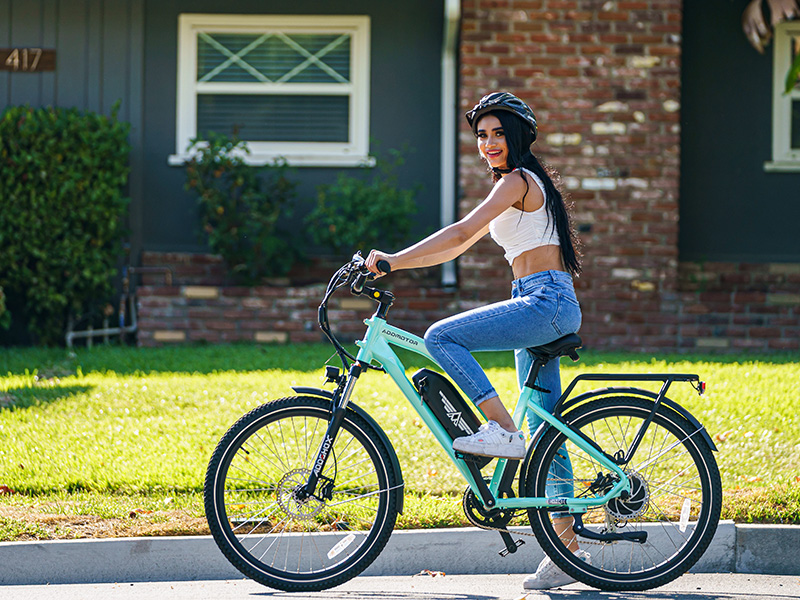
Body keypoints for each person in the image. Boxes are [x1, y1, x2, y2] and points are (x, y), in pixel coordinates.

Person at [366, 92, 588, 589]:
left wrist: (392, 260)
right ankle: (567, 546)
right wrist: (399, 263)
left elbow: (462, 228)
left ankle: (500, 431)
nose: (488, 143)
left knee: (441, 337)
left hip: (544, 300)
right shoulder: (517, 185)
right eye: (482, 135)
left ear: (519, 136)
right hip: (539, 300)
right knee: (544, 425)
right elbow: (459, 243)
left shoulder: (518, 181)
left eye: (497, 133)